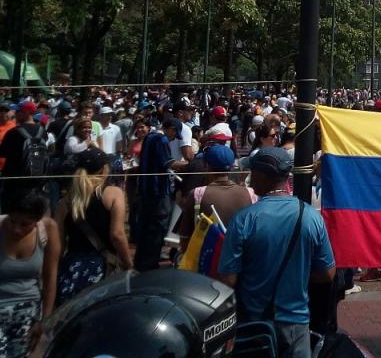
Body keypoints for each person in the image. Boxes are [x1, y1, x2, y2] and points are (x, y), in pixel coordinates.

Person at [218, 147, 335, 358]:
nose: (249, 176)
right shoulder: (310, 216)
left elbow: (227, 280)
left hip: (253, 325)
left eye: (252, 171)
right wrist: (297, 275)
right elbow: (327, 273)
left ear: (262, 175)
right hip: (296, 324)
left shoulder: (244, 219)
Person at [54, 148, 132, 303]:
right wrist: (129, 265)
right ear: (103, 169)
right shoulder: (113, 193)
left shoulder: (65, 201)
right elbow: (117, 235)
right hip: (102, 268)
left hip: (72, 267)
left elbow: (58, 245)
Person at [0, 191, 60, 358]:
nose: (17, 229)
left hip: (27, 312)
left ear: (37, 220)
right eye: (12, 221)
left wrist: (45, 320)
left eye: (25, 224)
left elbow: (50, 277)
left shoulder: (47, 229)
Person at [178, 145, 255, 241]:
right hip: (238, 255)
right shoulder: (250, 194)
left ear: (206, 165)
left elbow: (184, 238)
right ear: (231, 167)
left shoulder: (196, 194)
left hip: (205, 255)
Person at [132, 118, 175, 271]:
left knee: (146, 227)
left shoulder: (150, 137)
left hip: (146, 190)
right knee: (157, 228)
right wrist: (192, 165)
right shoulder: (160, 138)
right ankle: (149, 264)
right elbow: (167, 163)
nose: (173, 138)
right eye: (174, 134)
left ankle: (142, 261)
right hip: (158, 191)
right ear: (170, 129)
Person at [0, 102, 48, 213]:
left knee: (11, 211)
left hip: (14, 180)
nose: (15, 114)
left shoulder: (14, 132)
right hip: (36, 177)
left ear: (26, 113)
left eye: (18, 111)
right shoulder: (42, 131)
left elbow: (3, 152)